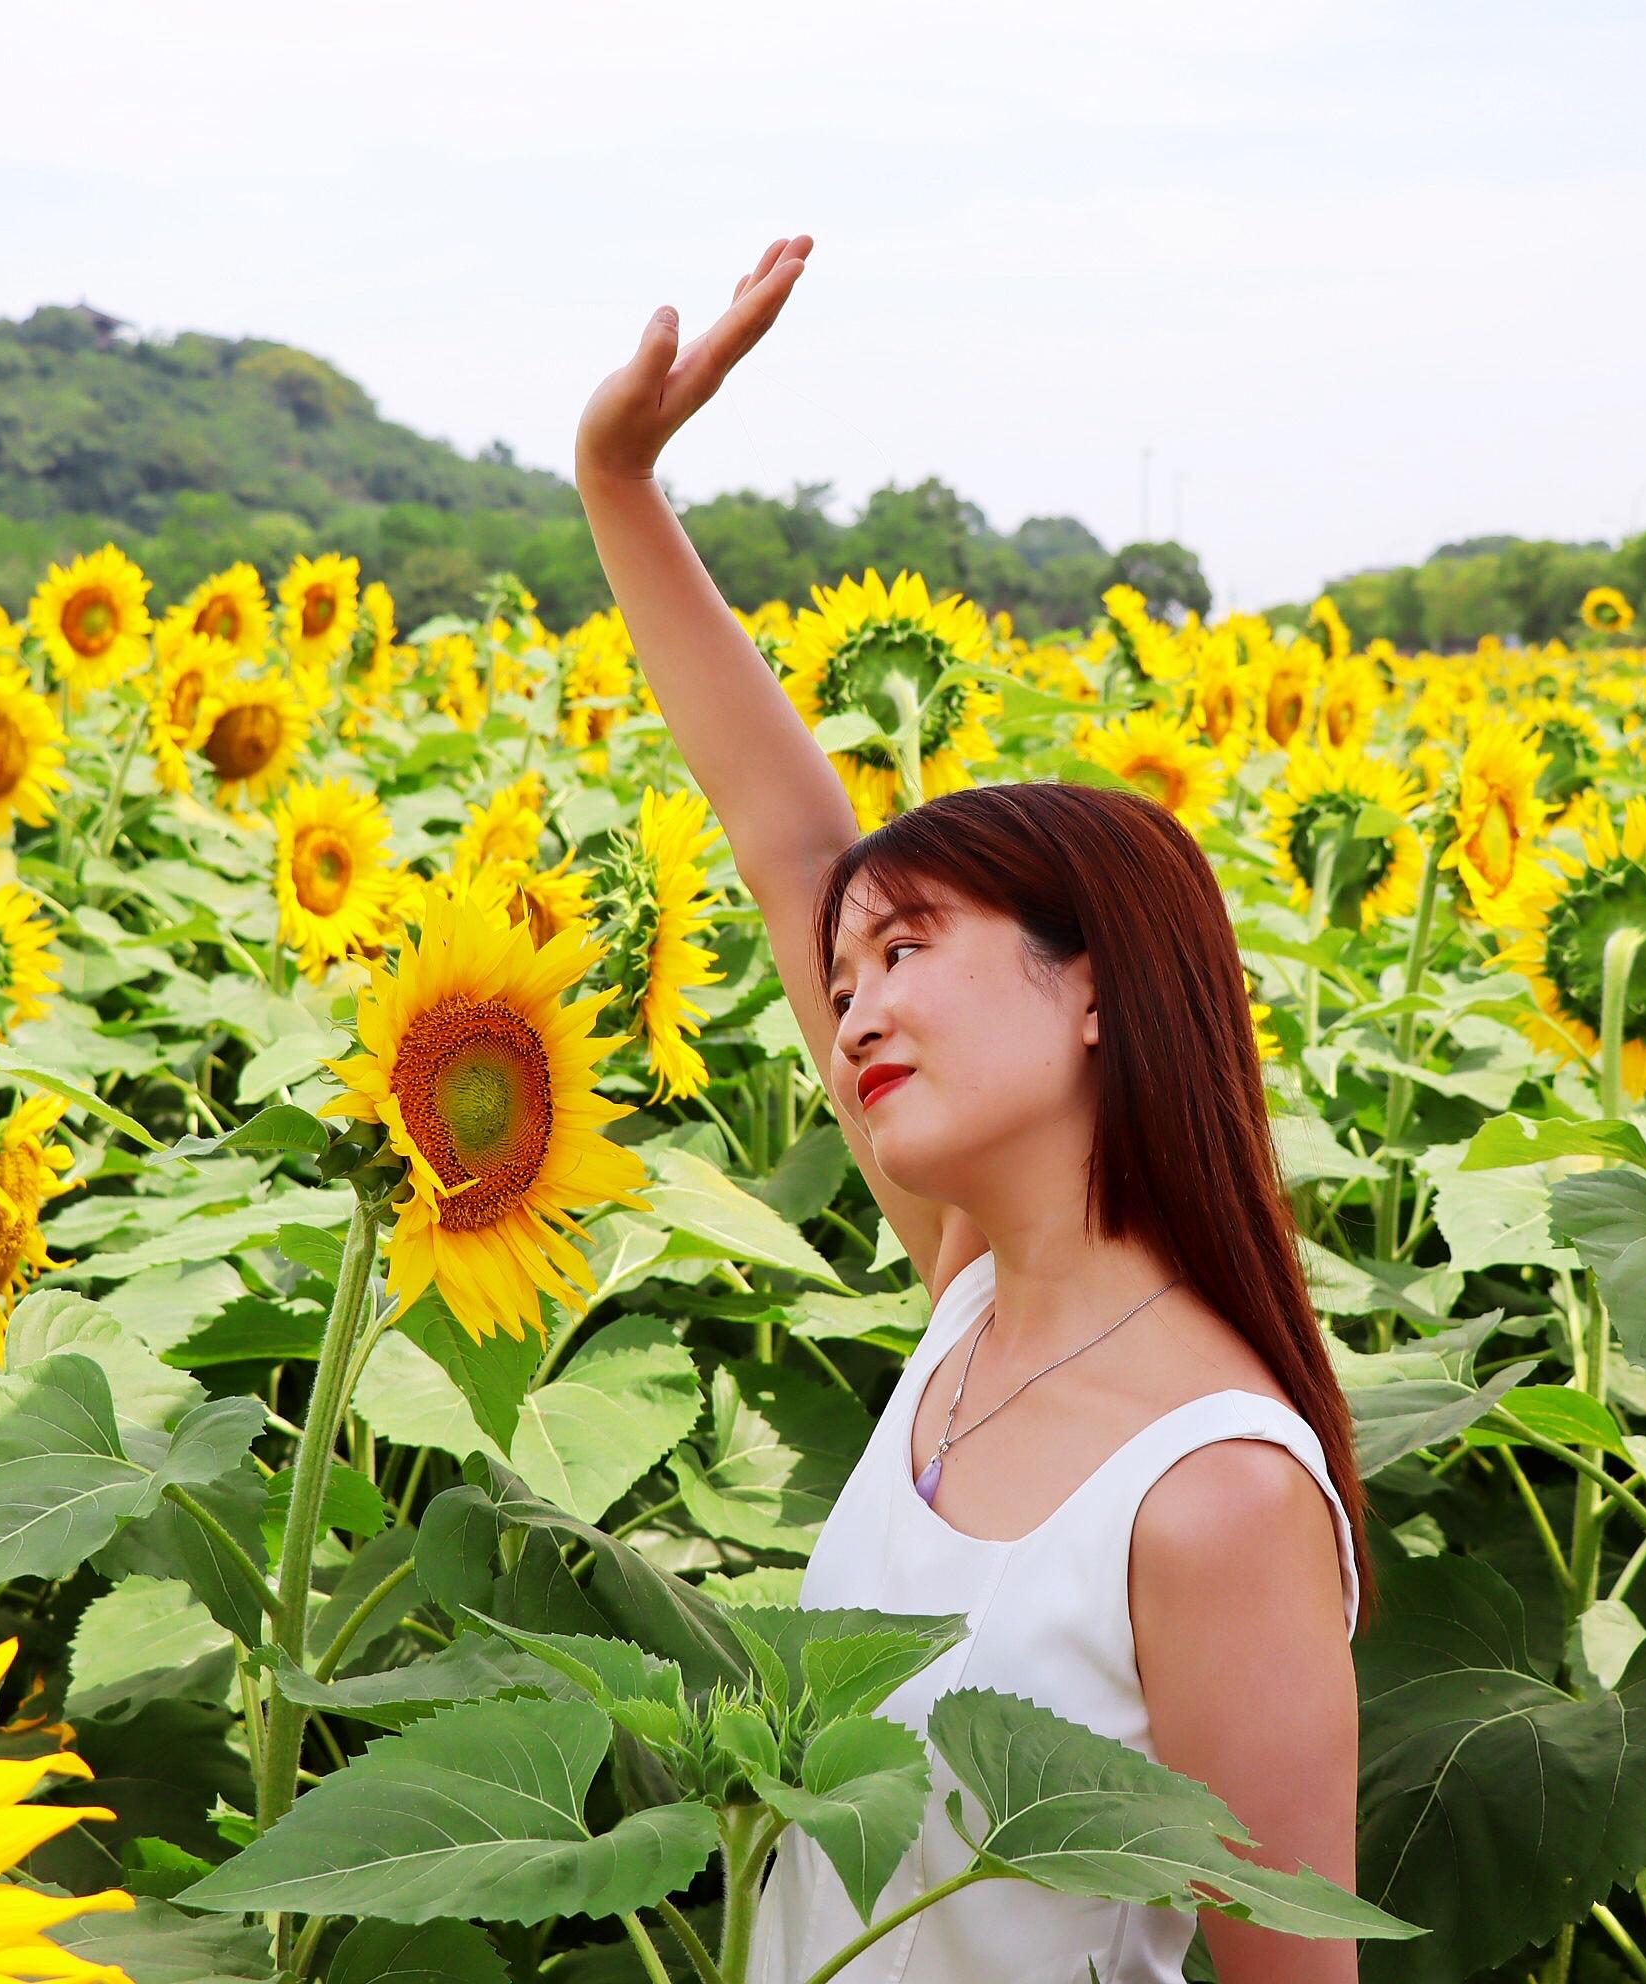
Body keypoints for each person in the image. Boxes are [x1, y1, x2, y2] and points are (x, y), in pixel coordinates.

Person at [575, 235, 1373, 1984]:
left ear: (1094, 985)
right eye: (838, 972)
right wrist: (620, 485)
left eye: (912, 949)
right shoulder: (970, 1305)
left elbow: (1295, 1972)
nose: (850, 1003)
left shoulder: (1217, 1495)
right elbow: (786, 836)